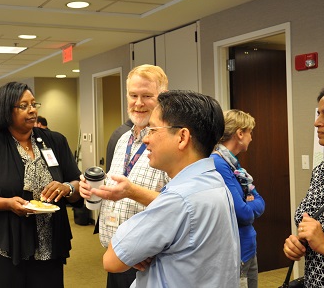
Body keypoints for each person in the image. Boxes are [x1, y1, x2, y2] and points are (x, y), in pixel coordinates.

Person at [102, 90, 240, 287]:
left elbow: (112, 260)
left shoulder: (178, 198)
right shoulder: (215, 181)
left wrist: (142, 248)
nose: (146, 139)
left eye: (153, 129)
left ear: (182, 137)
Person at [0, 82, 83, 288]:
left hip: (48, 246)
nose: (32, 110)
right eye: (23, 106)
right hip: (2, 245)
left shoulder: (54, 141)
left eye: (33, 104)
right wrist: (6, 203)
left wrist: (68, 187)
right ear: (7, 110)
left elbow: (77, 183)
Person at [79, 64, 169, 288]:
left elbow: (181, 204)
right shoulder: (122, 139)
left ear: (163, 98)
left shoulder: (170, 142)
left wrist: (133, 192)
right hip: (118, 254)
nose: (138, 103)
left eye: (147, 96)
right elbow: (116, 187)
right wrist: (93, 189)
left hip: (152, 262)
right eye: (133, 95)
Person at [283, 82, 324, 286]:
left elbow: (322, 239)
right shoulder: (321, 170)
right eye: (318, 114)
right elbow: (310, 225)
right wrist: (296, 244)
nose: (317, 122)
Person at [211, 110, 265, 288]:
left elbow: (259, 201)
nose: (252, 138)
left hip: (248, 247)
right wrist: (250, 205)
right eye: (250, 133)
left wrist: (252, 204)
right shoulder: (219, 163)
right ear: (240, 133)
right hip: (237, 251)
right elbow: (243, 214)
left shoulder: (232, 162)